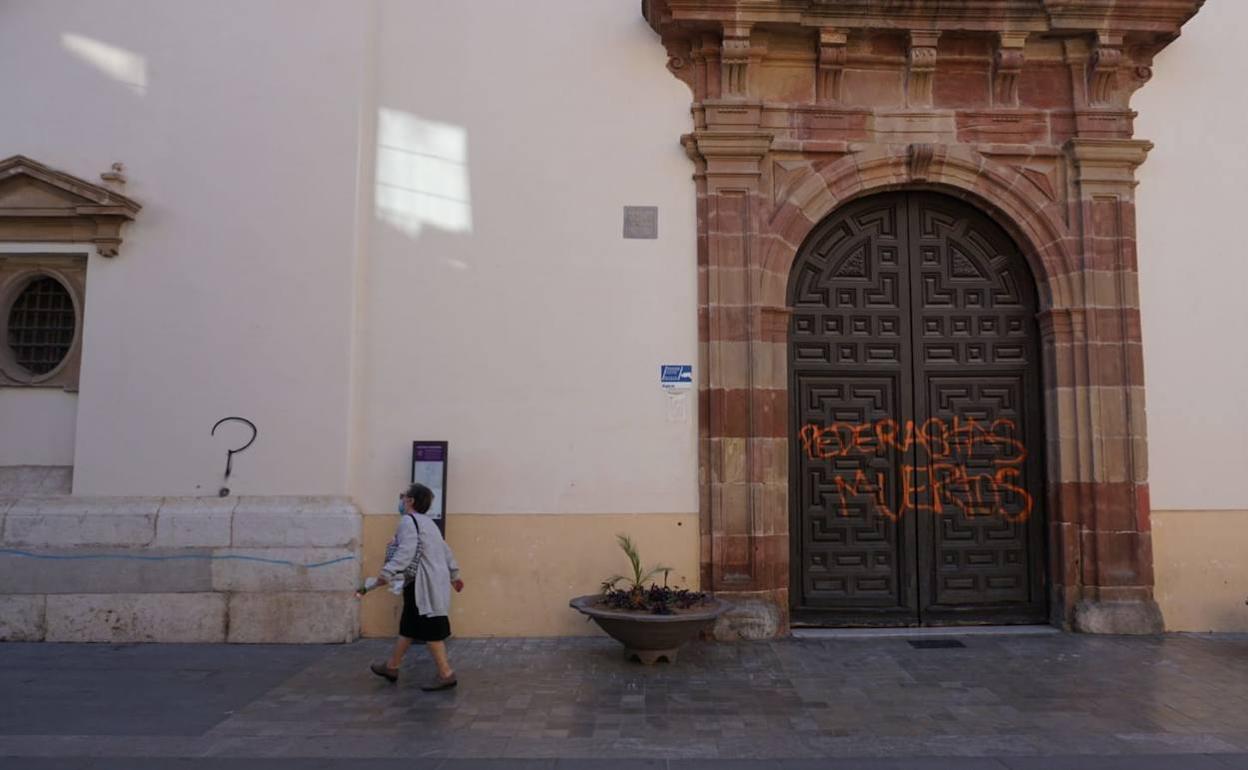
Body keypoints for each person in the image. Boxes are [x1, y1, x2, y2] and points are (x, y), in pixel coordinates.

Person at [367, 483, 464, 690]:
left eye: (403, 496)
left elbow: (406, 551)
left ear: (410, 501)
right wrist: (454, 574)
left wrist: (387, 572)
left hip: (423, 584)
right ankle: (392, 666)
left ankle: (446, 674)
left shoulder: (408, 521)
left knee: (430, 629)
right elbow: (445, 550)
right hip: (431, 582)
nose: (401, 500)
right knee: (409, 625)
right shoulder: (428, 523)